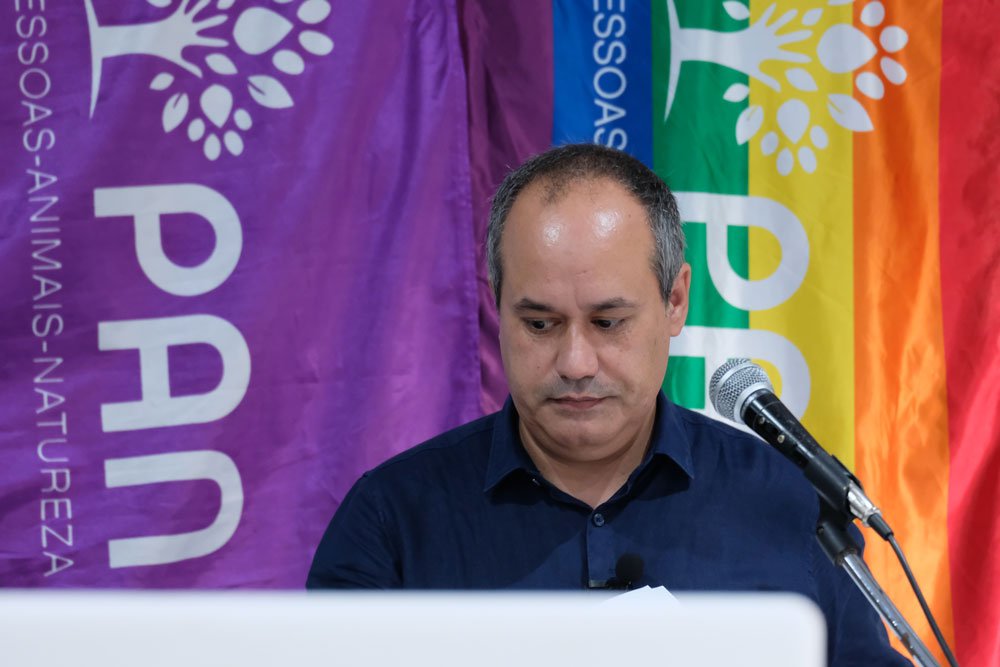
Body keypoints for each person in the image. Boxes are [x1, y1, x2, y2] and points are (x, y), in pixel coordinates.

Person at [307, 144, 910, 665]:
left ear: (675, 301)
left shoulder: (788, 506)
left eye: (608, 322)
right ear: (497, 306)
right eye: (540, 324)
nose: (575, 362)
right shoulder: (392, 519)